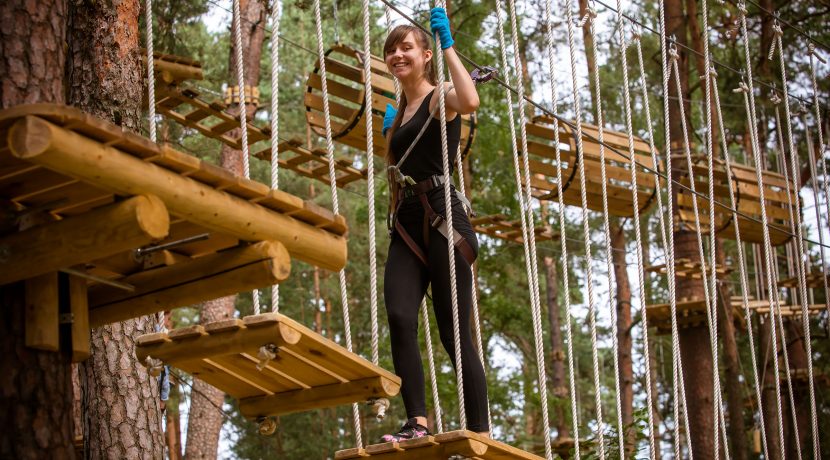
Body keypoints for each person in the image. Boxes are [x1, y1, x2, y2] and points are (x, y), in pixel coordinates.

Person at [379, 8, 489, 443]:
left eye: (406, 47)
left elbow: (471, 100)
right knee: (400, 314)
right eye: (391, 50)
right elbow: (396, 169)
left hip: (444, 216)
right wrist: (390, 138)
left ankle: (480, 430)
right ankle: (416, 423)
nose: (397, 55)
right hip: (406, 220)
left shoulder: (439, 95)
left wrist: (448, 46)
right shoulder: (401, 111)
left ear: (425, 55)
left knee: (452, 333)